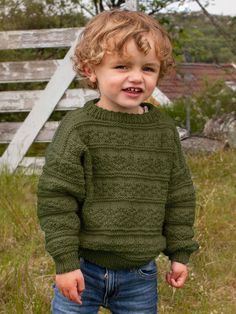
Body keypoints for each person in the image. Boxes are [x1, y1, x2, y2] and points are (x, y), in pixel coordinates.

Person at [37, 9, 199, 314]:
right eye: (122, 66)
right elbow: (57, 198)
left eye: (148, 68)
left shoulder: (163, 130)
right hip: (83, 269)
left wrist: (179, 252)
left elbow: (179, 196)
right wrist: (65, 262)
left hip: (140, 274)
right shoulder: (78, 128)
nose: (136, 77)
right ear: (90, 70)